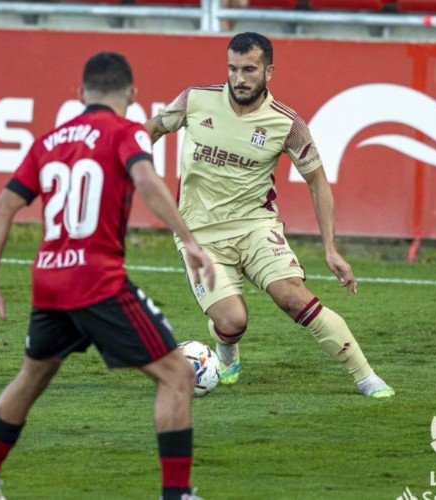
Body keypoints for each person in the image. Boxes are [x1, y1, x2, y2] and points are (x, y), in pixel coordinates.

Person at [0, 52, 215, 500]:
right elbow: (145, 179)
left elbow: (1, 208)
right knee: (176, 375)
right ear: (132, 95)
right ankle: (177, 494)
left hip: (49, 281)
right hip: (97, 281)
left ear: (80, 94)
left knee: (31, 378)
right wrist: (189, 239)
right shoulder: (127, 131)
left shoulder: (49, 141)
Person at [144, 32, 395, 398]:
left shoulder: (287, 124)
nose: (239, 78)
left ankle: (367, 377)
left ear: (269, 71)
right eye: (233, 68)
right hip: (199, 237)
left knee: (294, 297)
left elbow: (318, 182)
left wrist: (330, 248)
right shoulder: (195, 100)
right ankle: (227, 347)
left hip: (256, 229)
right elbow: (151, 129)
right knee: (233, 321)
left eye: (249, 69)